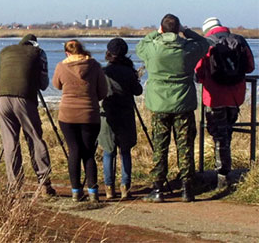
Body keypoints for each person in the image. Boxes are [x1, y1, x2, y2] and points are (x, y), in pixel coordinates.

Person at [136, 14, 209, 202]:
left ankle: (158, 189)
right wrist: (187, 32)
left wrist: (156, 33)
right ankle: (187, 188)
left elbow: (140, 46)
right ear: (178, 29)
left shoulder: (153, 48)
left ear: (162, 28)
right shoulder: (189, 48)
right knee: (185, 146)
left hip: (159, 104)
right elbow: (205, 42)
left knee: (160, 147)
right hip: (183, 102)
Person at [195, 17, 255, 189]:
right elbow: (250, 66)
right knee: (227, 132)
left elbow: (198, 70)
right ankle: (224, 171)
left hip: (214, 97)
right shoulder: (240, 40)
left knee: (219, 135)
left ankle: (222, 175)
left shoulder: (206, 43)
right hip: (236, 97)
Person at [0, 34, 56, 196]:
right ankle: (44, 183)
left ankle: (14, 186)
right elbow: (43, 84)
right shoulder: (38, 53)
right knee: (35, 138)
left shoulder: (5, 51)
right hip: (24, 98)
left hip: (1, 98)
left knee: (10, 143)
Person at [52, 39, 107, 202]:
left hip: (67, 114)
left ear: (67, 53)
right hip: (90, 113)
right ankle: (93, 191)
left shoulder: (62, 66)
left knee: (74, 151)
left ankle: (76, 190)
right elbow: (103, 91)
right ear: (82, 50)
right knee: (89, 152)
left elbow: (56, 85)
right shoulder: (95, 65)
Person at [98, 38, 143, 199]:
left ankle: (109, 189)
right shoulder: (128, 71)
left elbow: (98, 92)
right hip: (125, 114)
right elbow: (138, 91)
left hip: (108, 114)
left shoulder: (104, 72)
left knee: (108, 152)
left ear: (109, 52)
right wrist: (135, 78)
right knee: (125, 152)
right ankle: (125, 187)